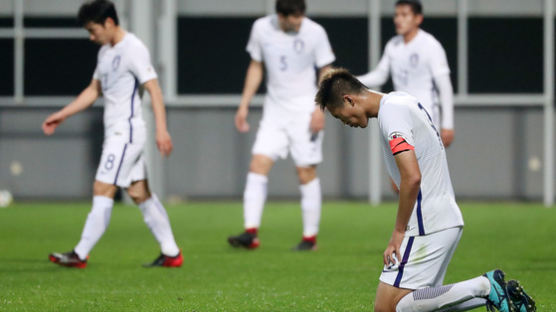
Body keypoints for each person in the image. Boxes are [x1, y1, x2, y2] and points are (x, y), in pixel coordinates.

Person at [315, 68, 535, 312]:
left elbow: (412, 177)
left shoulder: (392, 112)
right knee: (416, 304)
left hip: (425, 224)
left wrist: (398, 232)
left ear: (349, 99)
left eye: (339, 116)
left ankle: (485, 287)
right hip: (443, 219)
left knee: (387, 308)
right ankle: (490, 292)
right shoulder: (401, 100)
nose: (344, 122)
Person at [42, 0, 182, 268]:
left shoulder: (134, 48)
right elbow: (94, 90)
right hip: (117, 133)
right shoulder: (106, 53)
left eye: (93, 30)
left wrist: (162, 130)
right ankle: (172, 253)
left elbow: (154, 89)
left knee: (102, 187)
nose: (91, 37)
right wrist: (63, 113)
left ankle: (80, 253)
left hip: (126, 133)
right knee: (140, 193)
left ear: (109, 23)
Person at [227, 0, 335, 251]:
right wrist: (244, 104)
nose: (299, 22)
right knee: (257, 165)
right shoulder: (261, 29)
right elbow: (256, 66)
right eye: (293, 18)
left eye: (301, 16)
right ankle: (250, 233)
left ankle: (310, 239)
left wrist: (321, 109)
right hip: (274, 111)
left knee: (305, 171)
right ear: (280, 16)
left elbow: (326, 71)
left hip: (305, 111)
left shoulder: (315, 32)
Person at [358, 0, 455, 148]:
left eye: (404, 15)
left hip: (425, 117)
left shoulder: (430, 45)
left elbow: (445, 87)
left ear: (418, 18)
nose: (398, 20)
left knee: (424, 168)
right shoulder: (393, 45)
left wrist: (447, 124)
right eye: (396, 15)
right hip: (400, 116)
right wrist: (350, 80)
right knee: (399, 168)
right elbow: (380, 75)